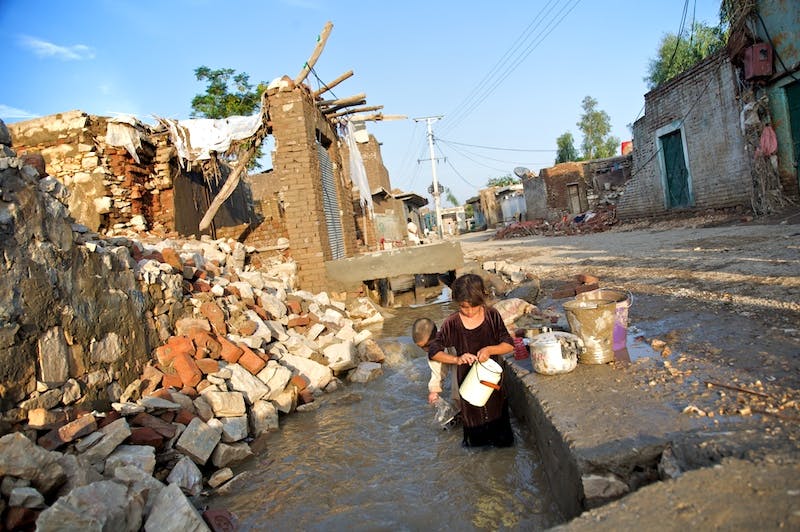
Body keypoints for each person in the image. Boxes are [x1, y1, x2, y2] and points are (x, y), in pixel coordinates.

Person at [427, 273, 515, 447]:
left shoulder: (492, 316)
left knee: (502, 439)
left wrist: (490, 350)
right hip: (468, 390)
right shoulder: (452, 323)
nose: (469, 312)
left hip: (492, 386)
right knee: (475, 443)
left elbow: (509, 345)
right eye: (463, 307)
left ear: (482, 299)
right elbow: (434, 352)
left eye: (473, 307)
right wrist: (457, 359)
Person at [412, 318, 459, 408]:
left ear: (437, 335)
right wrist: (434, 391)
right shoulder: (433, 353)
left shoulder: (450, 336)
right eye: (421, 347)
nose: (426, 349)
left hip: (466, 357)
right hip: (457, 363)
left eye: (427, 345)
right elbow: (437, 371)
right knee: (456, 395)